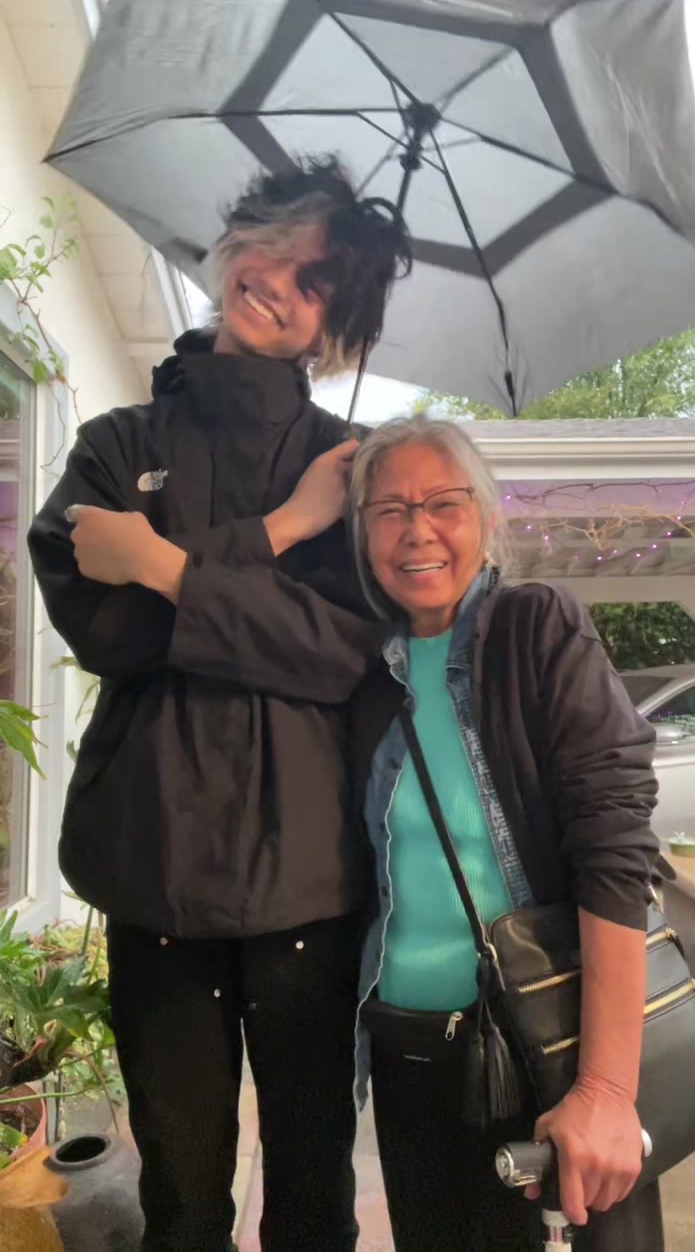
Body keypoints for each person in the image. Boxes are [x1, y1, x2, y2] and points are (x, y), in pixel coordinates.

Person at [27, 157, 411, 1252]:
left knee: (312, 1190)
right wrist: (277, 535)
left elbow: (340, 653)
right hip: (152, 871)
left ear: (336, 327)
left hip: (309, 885)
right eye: (270, 246)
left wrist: (162, 565)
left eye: (316, 280)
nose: (277, 281)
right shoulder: (116, 445)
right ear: (233, 242)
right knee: (183, 1195)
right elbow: (103, 631)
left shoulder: (350, 468)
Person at [346, 416, 664, 1252]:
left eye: (442, 503)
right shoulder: (361, 669)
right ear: (364, 536)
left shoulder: (533, 628)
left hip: (542, 1044)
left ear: (486, 518)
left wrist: (606, 1087)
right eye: (389, 510)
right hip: (408, 1047)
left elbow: (614, 845)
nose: (417, 530)